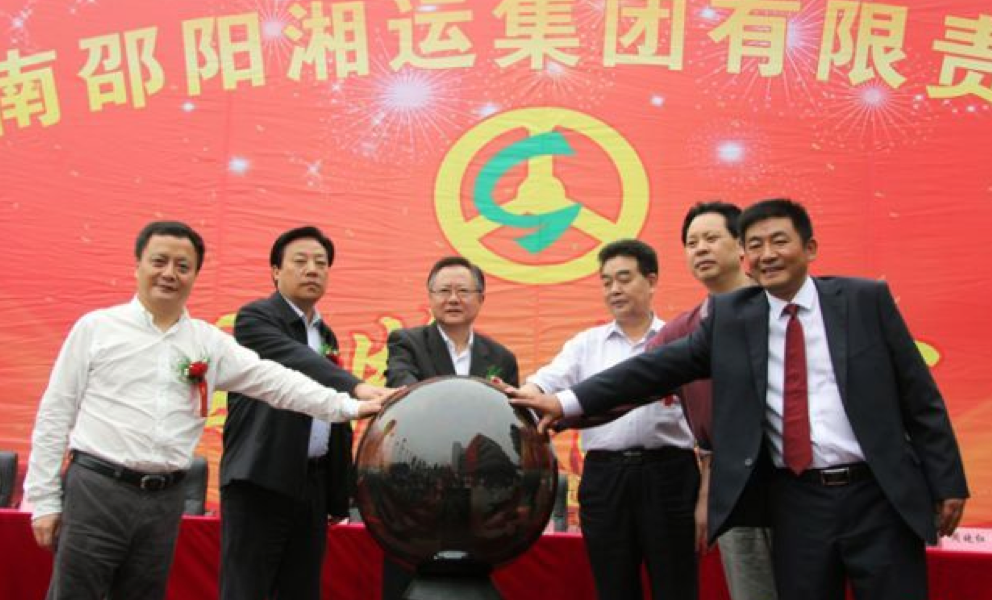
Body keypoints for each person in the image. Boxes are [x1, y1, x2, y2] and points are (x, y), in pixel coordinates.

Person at [511, 199, 969, 600]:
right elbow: (651, 370)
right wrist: (565, 402)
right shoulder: (732, 319)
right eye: (756, 245)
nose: (768, 254)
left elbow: (919, 397)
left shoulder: (864, 300)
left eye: (779, 241)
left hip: (878, 494)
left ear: (809, 248)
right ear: (747, 258)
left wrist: (947, 481)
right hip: (796, 499)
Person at [23, 221, 382, 600]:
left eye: (182, 266)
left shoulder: (206, 342)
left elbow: (278, 383)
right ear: (138, 265)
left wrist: (351, 406)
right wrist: (44, 500)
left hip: (164, 498)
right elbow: (56, 412)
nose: (170, 274)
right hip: (97, 490)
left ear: (195, 274)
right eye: (159, 261)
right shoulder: (97, 328)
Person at [519, 239, 700, 600]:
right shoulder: (586, 344)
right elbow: (545, 381)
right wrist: (523, 393)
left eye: (624, 278)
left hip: (669, 476)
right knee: (613, 586)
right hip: (606, 478)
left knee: (676, 585)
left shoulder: (680, 342)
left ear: (651, 281)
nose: (614, 289)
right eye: (606, 282)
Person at [219, 226, 393, 600]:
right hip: (261, 478)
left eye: (321, 263)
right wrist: (357, 387)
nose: (312, 269)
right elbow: (297, 363)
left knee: (302, 590)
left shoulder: (325, 334)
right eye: (300, 261)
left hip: (310, 485)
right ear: (275, 271)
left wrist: (336, 493)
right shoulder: (255, 319)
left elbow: (332, 416)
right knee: (246, 590)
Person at [649, 201, 776, 600]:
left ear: (741, 246)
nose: (700, 248)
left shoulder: (783, 310)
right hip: (733, 485)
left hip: (797, 480)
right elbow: (632, 380)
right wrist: (558, 402)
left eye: (711, 238)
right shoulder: (682, 332)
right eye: (691, 243)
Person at [380, 255, 519, 600]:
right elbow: (403, 386)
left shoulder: (501, 357)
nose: (453, 299)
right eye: (443, 291)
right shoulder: (407, 342)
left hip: (479, 493)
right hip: (419, 483)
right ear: (430, 297)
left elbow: (511, 426)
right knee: (410, 582)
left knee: (470, 581)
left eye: (463, 291)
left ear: (480, 298)